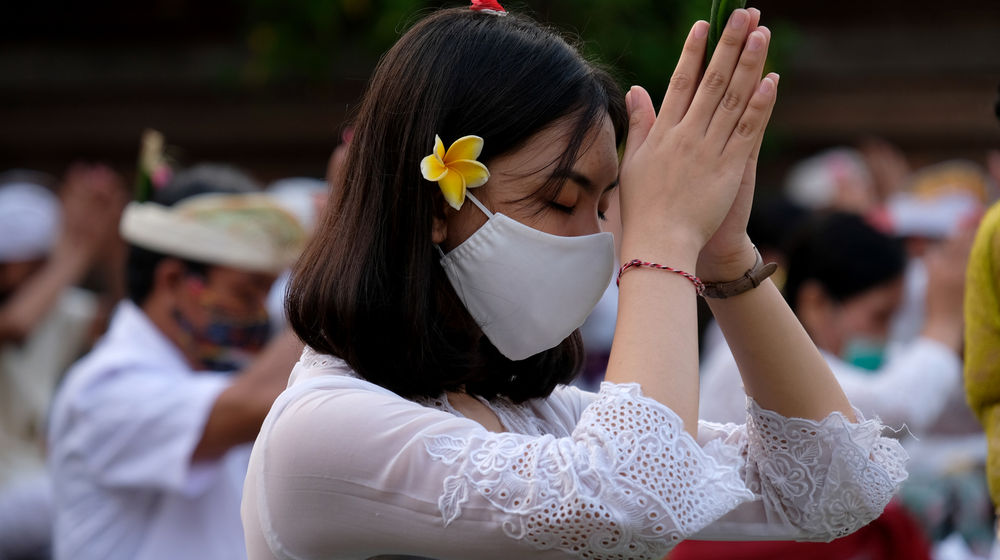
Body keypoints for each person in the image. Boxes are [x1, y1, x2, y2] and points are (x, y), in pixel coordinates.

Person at [242, 5, 907, 559]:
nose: (596, 241)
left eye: (604, 207)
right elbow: (631, 502)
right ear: (436, 207)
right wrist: (665, 240)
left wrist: (725, 257)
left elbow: (837, 486)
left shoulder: (537, 413)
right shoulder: (324, 427)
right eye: (562, 202)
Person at [47, 189, 307, 560]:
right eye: (246, 293)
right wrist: (341, 258)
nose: (259, 315)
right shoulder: (103, 386)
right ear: (172, 281)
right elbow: (258, 403)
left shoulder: (211, 374)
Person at [0, 165, 125, 560]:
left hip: (32, 483)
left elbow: (124, 322)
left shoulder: (60, 307)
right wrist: (77, 248)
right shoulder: (34, 305)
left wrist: (113, 242)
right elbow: (16, 325)